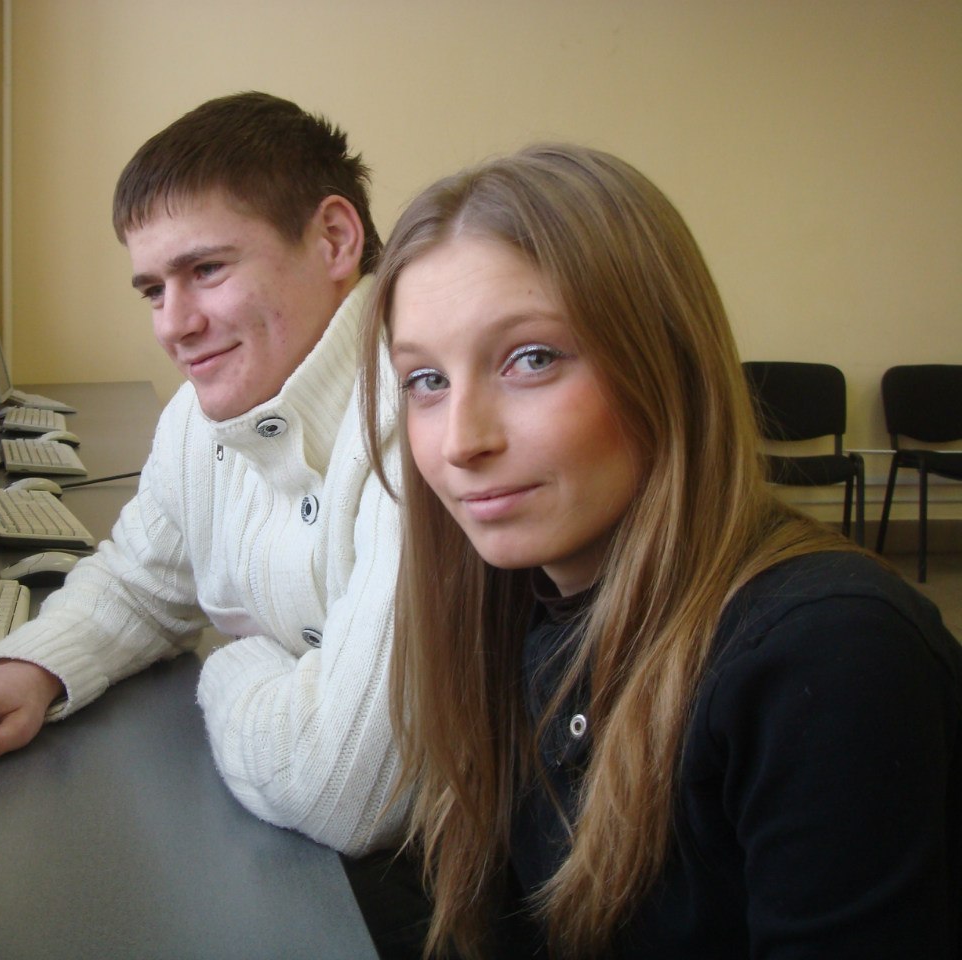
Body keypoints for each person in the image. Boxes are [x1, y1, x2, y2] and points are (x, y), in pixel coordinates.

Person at [359, 144, 962, 959]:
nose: (461, 441)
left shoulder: (828, 654)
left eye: (531, 359)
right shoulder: (512, 611)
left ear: (666, 363)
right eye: (425, 381)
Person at [0, 93, 410, 864]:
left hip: (437, 888)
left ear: (334, 240)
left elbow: (335, 790)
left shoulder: (425, 417)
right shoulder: (200, 417)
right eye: (153, 290)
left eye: (206, 270)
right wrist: (34, 666)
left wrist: (232, 655)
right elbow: (142, 583)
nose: (173, 324)